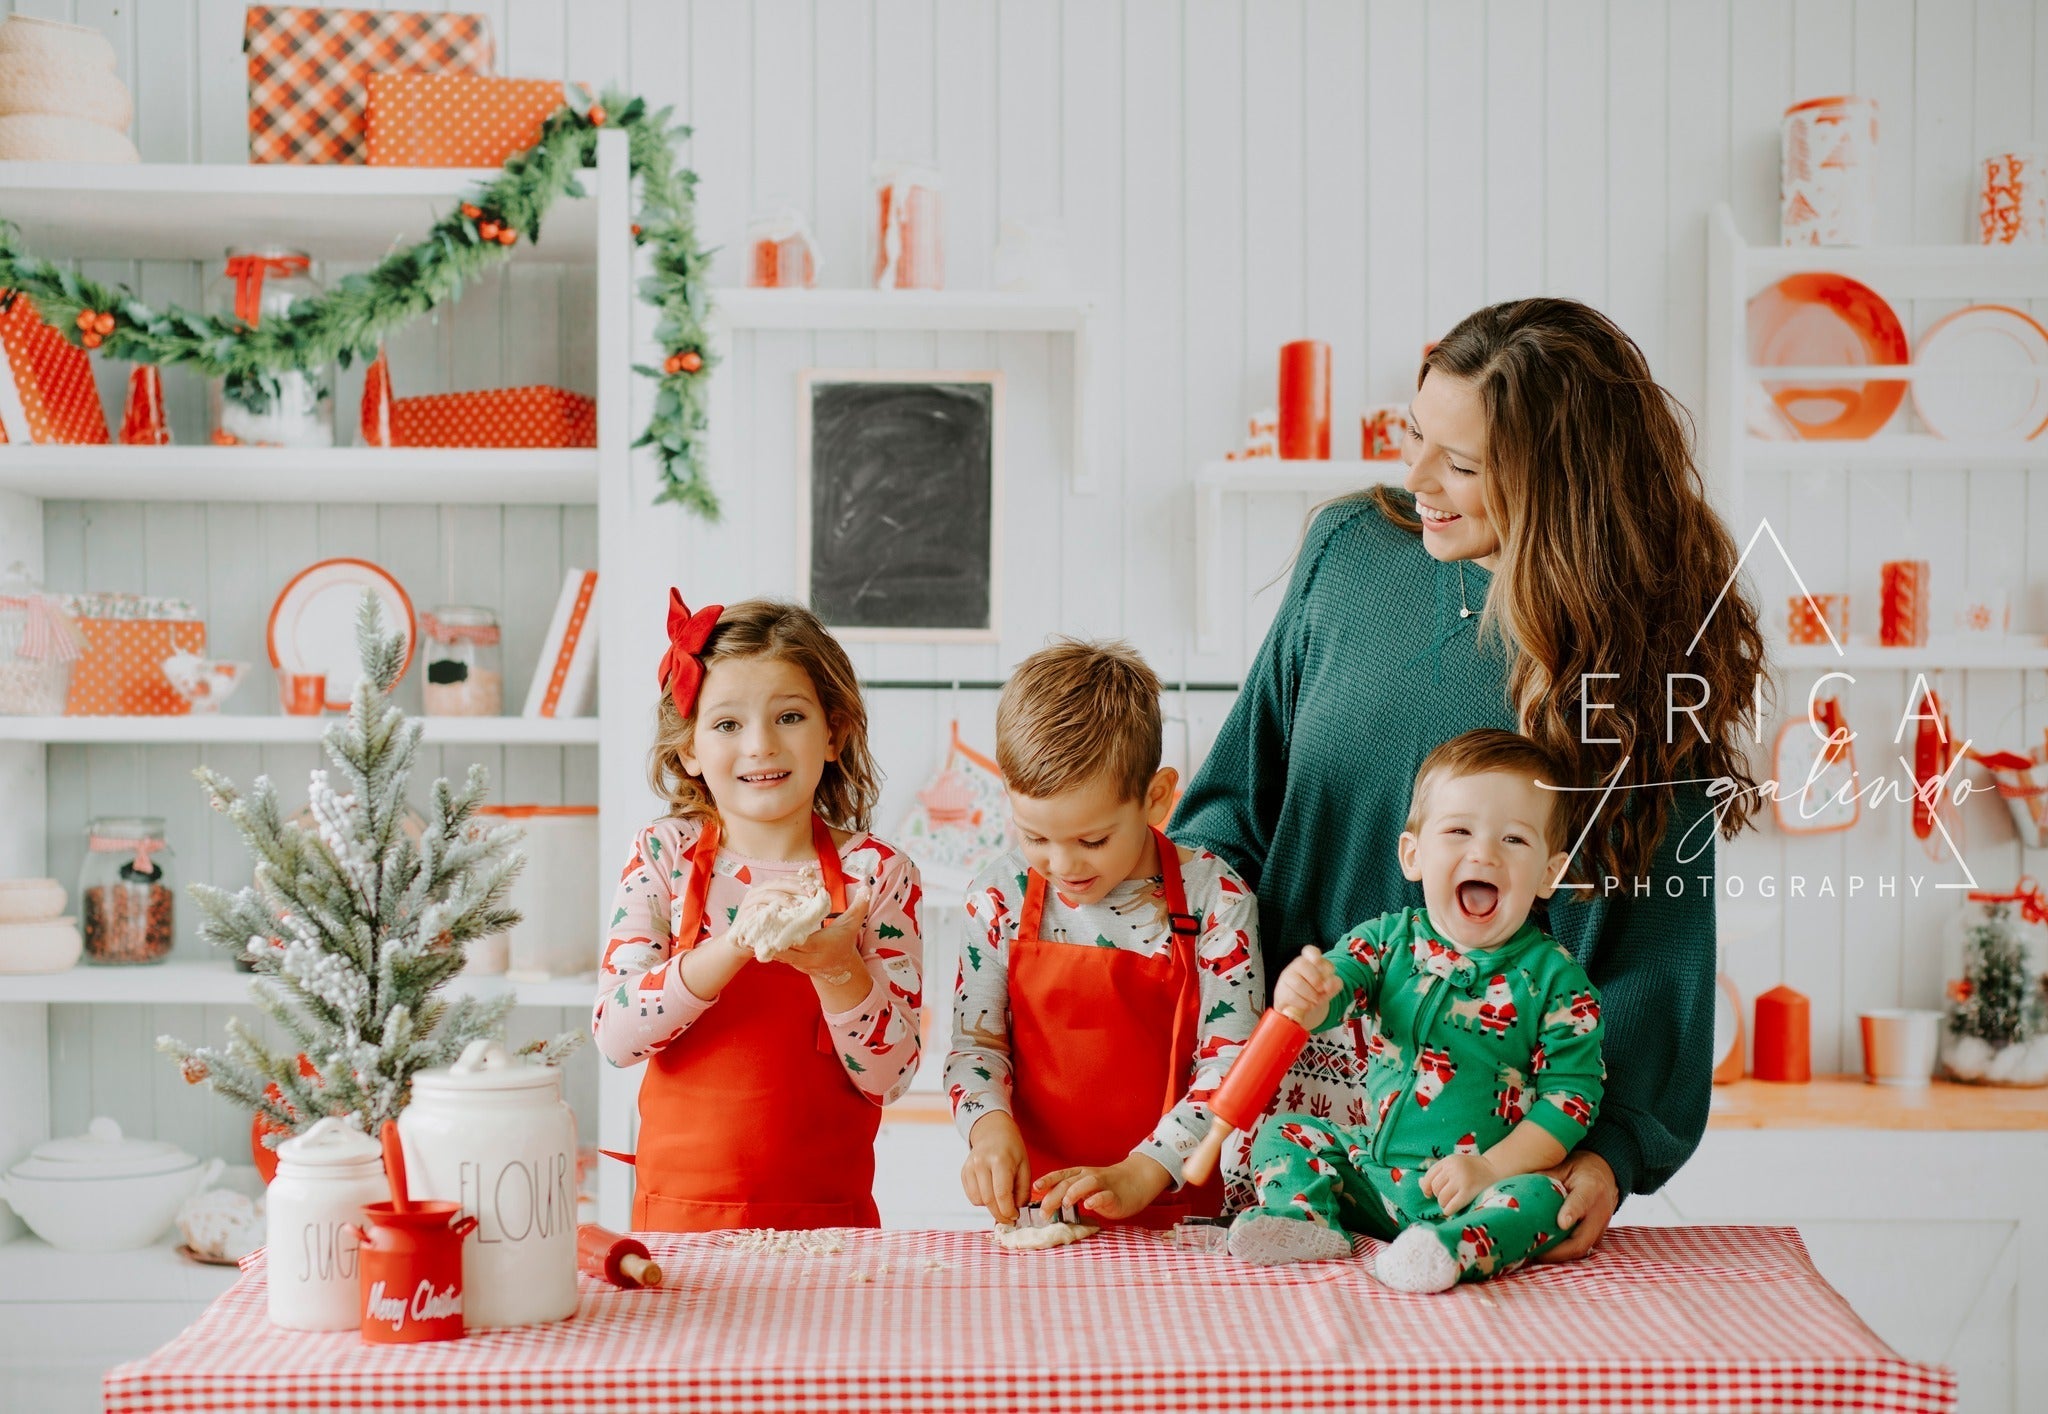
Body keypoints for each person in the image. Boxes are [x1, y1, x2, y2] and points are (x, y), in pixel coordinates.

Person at [1173, 297, 1766, 1259]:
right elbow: (1229, 814)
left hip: (1489, 1161)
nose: (1417, 481)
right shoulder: (1350, 555)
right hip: (1286, 1134)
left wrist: (1606, 1155)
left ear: (1562, 484)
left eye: (1462, 464)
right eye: (1417, 435)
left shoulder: (1651, 658)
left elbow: (1659, 952)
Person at [592, 594, 924, 1231]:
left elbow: (891, 1074)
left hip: (829, 1227)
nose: (761, 745)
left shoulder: (876, 875)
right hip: (681, 1225)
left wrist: (838, 970)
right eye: (726, 725)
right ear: (688, 749)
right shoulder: (664, 856)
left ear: (834, 734)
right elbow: (616, 1036)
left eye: (789, 716)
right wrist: (734, 945)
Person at [1229, 730, 1603, 1293]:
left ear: (1549, 874)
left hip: (1479, 1189)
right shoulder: (1385, 942)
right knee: (1284, 1132)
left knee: (1545, 1199)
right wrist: (1304, 994)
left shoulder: (1559, 984)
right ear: (1413, 855)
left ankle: (1447, 1252)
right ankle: (1304, 1221)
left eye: (1514, 840)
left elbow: (1571, 1100)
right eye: (1458, 831)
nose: (1483, 853)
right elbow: (1335, 991)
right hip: (1374, 1180)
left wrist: (1493, 1169)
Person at [947, 639, 1265, 1228]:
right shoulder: (998, 900)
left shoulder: (1217, 901)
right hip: (1040, 1212)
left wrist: (1144, 1170)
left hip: (1180, 1211)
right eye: (1035, 837)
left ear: (1156, 797)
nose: (1063, 865)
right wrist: (987, 1129)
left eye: (1092, 840)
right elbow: (976, 1049)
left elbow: (1232, 1066)